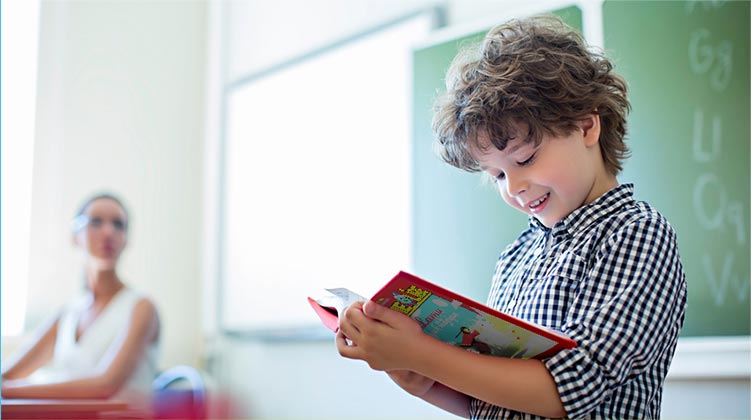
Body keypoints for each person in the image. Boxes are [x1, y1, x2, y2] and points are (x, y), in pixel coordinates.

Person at [336, 15, 687, 419]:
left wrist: (424, 355)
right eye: (498, 174)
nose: (514, 186)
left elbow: (568, 390)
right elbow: (488, 401)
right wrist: (418, 376)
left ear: (587, 126)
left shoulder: (637, 233)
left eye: (525, 159)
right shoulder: (516, 257)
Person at [2, 193, 160, 413]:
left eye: (118, 224)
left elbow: (105, 385)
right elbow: (9, 373)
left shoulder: (142, 308)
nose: (108, 232)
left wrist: (9, 391)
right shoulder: (68, 313)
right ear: (75, 236)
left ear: (126, 239)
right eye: (96, 222)